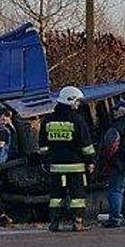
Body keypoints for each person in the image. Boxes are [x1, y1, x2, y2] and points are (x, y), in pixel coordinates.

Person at [40, 87, 96, 232]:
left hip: (55, 166)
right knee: (77, 196)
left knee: (56, 196)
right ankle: (77, 222)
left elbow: (43, 146)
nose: (77, 104)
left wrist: (45, 161)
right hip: (75, 166)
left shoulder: (47, 120)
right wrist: (90, 161)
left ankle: (54, 222)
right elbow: (86, 145)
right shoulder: (78, 120)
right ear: (70, 100)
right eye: (76, 101)